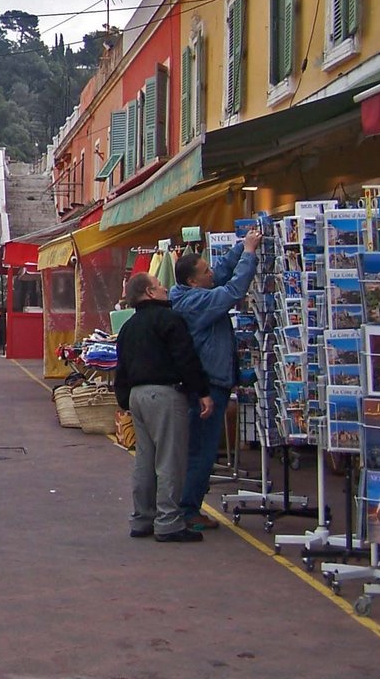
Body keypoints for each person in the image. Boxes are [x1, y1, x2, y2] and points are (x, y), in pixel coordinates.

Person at [169, 228, 262, 530]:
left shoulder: (193, 292)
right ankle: (189, 509)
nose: (212, 272)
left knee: (200, 447)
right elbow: (232, 291)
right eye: (205, 271)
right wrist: (248, 254)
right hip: (208, 384)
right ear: (193, 282)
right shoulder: (194, 304)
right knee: (202, 449)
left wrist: (240, 246)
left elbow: (220, 275)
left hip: (214, 380)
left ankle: (187, 505)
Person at [114, 273, 213, 543]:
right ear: (149, 292)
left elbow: (120, 366)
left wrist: (124, 399)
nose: (165, 288)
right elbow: (185, 358)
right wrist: (202, 391)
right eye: (159, 286)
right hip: (165, 393)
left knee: (144, 460)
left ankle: (142, 517)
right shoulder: (170, 320)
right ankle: (169, 520)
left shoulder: (128, 326)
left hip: (137, 396)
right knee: (170, 459)